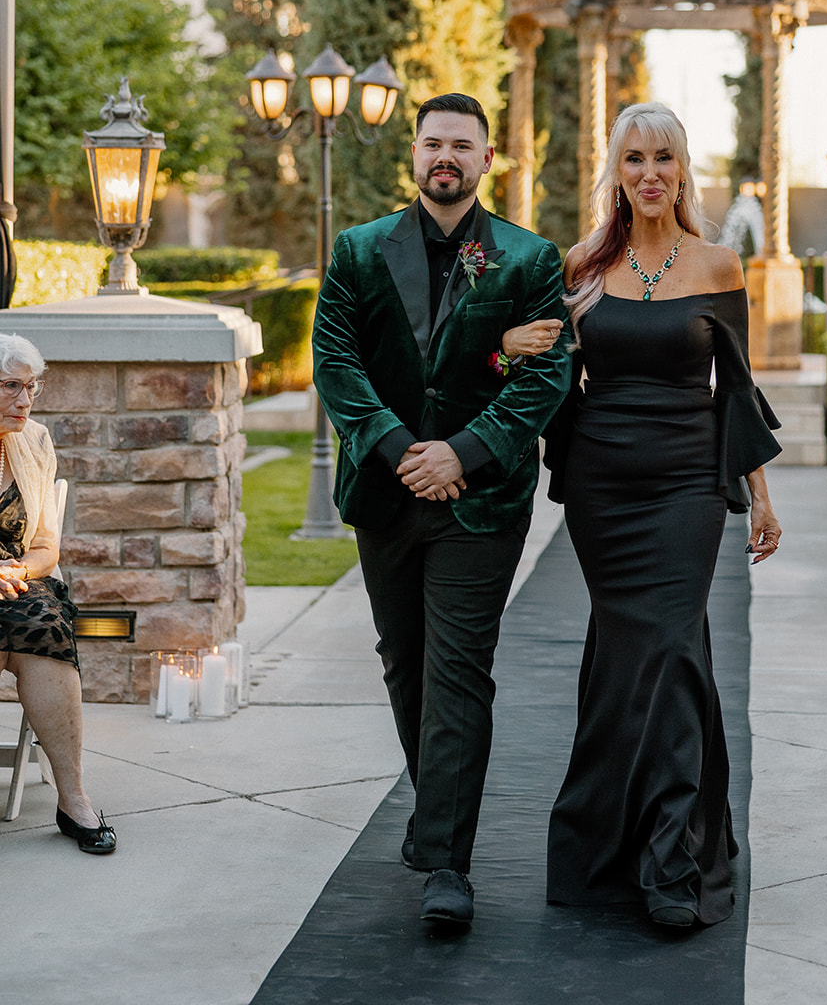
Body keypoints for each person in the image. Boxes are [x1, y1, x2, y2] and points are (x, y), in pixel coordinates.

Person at [313, 92, 569, 927]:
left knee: (458, 672)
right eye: (433, 144)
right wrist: (398, 451)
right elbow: (336, 362)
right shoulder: (356, 252)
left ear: (487, 160)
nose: (445, 157)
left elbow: (544, 376)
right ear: (414, 154)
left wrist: (463, 451)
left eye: (462, 145)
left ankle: (447, 866)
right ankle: (437, 819)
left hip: (481, 500)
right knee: (404, 662)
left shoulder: (529, 261)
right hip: (385, 497)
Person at [545, 102, 782, 928]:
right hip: (602, 488)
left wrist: (758, 495)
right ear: (616, 169)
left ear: (683, 171)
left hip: (684, 487)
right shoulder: (580, 264)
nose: (650, 173)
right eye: (635, 158)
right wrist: (508, 344)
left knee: (676, 653)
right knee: (622, 659)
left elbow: (739, 389)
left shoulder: (719, 265)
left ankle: (672, 862)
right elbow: (547, 377)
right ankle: (603, 850)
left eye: (664, 159)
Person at [0, 333, 115, 854]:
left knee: (45, 626)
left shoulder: (35, 439)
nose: (25, 400)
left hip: (20, 583)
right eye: (10, 387)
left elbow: (47, 543)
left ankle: (74, 800)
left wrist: (18, 570)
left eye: (32, 387)